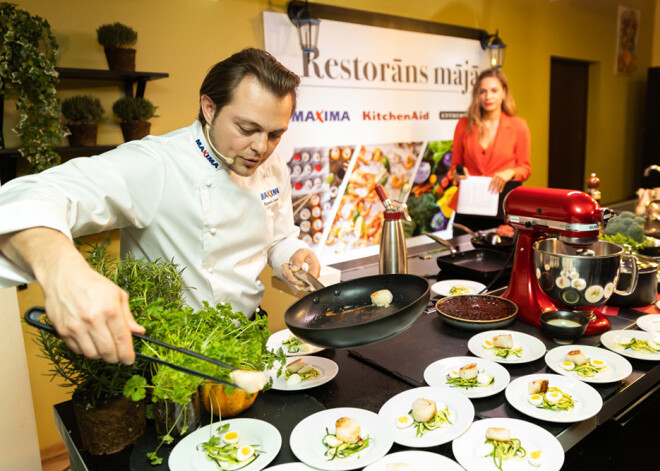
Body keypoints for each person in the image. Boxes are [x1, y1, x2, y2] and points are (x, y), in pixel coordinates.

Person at [0, 48, 320, 365]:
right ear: (209, 108)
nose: (261, 147)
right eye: (247, 129)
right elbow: (26, 198)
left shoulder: (273, 166)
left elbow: (278, 236)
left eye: (275, 134)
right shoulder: (157, 164)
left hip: (248, 335)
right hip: (171, 356)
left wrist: (289, 254)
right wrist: (64, 273)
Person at [449, 67, 531, 231]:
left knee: (500, 256)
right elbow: (453, 168)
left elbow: (525, 168)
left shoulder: (518, 126)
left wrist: (510, 172)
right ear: (477, 95)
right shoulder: (464, 125)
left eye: (494, 90)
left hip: (502, 210)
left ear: (504, 92)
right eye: (483, 92)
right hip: (467, 209)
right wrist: (458, 174)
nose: (488, 97)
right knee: (461, 255)